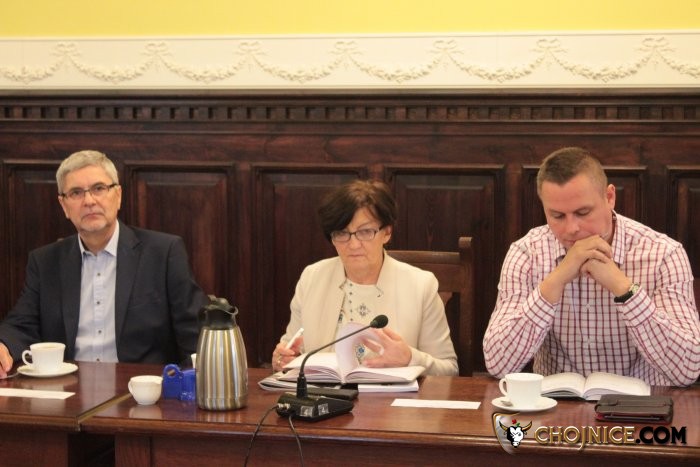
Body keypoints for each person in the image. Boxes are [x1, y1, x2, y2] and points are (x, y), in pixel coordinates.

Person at [483, 147, 700, 386]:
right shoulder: (526, 253)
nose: (571, 228)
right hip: (554, 403)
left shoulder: (663, 253)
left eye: (583, 212)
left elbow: (687, 369)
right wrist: (555, 282)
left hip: (639, 403)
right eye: (557, 216)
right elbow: (498, 364)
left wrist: (623, 288)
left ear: (609, 197)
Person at [0, 150, 208, 377]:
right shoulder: (45, 262)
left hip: (142, 390)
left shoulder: (163, 253)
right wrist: (4, 345)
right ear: (64, 205)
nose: (89, 201)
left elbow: (196, 336)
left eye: (99, 188)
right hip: (67, 389)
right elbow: (21, 324)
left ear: (118, 195)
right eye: (76, 193)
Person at [271, 179, 458, 376]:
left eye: (365, 232)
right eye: (342, 233)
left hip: (391, 395)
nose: (353, 245)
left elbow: (449, 370)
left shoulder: (421, 285)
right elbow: (291, 348)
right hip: (322, 393)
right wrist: (284, 359)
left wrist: (410, 358)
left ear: (387, 232)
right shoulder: (312, 278)